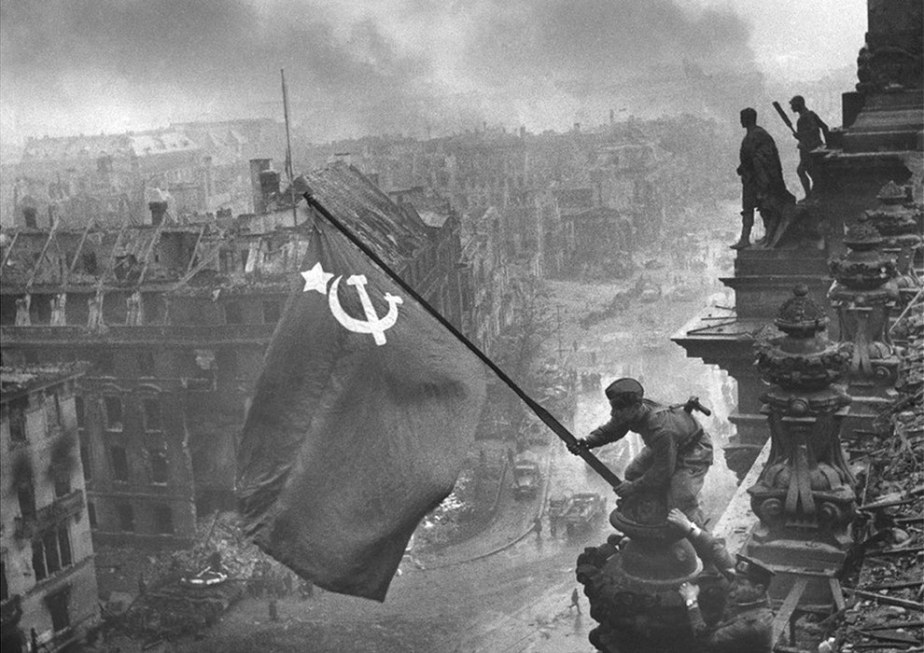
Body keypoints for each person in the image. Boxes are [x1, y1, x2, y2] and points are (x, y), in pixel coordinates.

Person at [568, 378, 713, 525]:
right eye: (613, 408)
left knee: (681, 501)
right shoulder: (634, 411)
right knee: (633, 472)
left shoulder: (660, 429)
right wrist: (587, 441)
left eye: (618, 409)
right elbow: (612, 430)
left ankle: (701, 537)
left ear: (636, 406)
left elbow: (662, 470)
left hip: (693, 450)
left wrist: (632, 488)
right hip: (667, 445)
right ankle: (654, 512)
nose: (613, 413)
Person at [678, 555, 775, 653]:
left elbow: (704, 639)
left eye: (740, 583)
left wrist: (691, 601)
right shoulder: (758, 597)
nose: (732, 586)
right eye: (734, 580)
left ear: (758, 589)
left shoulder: (751, 624)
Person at [732, 107, 794, 250]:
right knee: (749, 208)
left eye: (742, 117)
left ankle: (768, 237)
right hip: (750, 178)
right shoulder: (752, 135)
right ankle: (745, 238)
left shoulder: (759, 135)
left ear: (748, 119)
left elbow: (765, 157)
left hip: (760, 179)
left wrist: (749, 167)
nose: (740, 120)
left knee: (765, 208)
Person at [789, 95, 830, 199]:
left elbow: (814, 130)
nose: (791, 107)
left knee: (804, 171)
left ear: (798, 104)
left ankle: (809, 195)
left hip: (809, 150)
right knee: (808, 171)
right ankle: (812, 193)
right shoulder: (810, 114)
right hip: (812, 148)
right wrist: (827, 144)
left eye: (793, 104)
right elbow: (824, 127)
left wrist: (801, 136)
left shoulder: (804, 118)